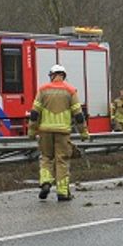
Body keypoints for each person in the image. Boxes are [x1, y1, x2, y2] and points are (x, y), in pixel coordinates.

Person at [28, 64, 89, 201]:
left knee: (46, 158)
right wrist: (83, 133)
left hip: (45, 131)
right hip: (62, 132)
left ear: (52, 75)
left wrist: (32, 131)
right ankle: (62, 192)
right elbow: (78, 115)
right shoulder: (71, 91)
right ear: (63, 76)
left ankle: (45, 182)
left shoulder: (43, 90)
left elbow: (34, 113)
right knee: (62, 161)